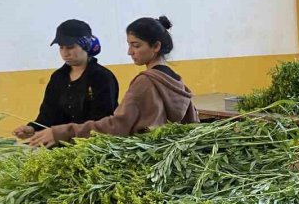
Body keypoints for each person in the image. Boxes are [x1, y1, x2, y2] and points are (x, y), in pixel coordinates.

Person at [27, 16, 199, 148]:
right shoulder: (175, 80)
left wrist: (62, 133)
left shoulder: (144, 83)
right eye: (129, 45)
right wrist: (35, 128)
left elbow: (116, 126)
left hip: (143, 158)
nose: (129, 52)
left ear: (156, 46)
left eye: (136, 45)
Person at [13, 19, 119, 140]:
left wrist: (66, 134)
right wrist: (32, 128)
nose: (65, 53)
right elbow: (48, 114)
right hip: (60, 146)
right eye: (61, 47)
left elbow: (102, 121)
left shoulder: (101, 77)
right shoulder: (58, 77)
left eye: (70, 47)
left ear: (86, 45)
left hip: (92, 145)